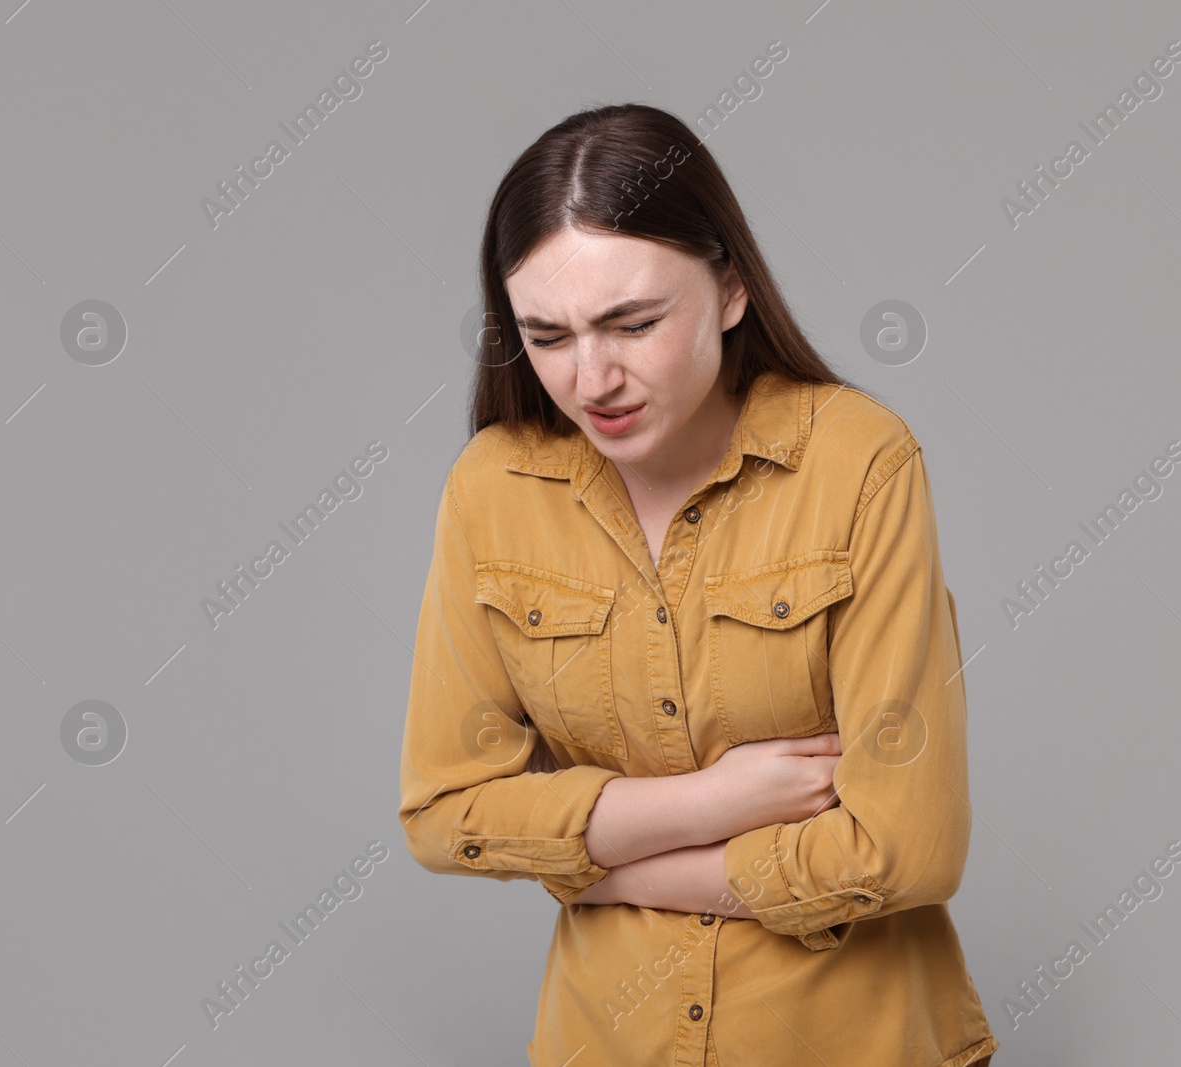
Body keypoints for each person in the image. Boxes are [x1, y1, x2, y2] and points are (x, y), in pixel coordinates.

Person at [398, 102, 998, 1066]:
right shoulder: (492, 490)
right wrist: (707, 806)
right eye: (547, 336)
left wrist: (601, 871)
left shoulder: (857, 462)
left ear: (730, 288)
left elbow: (908, 848)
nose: (593, 377)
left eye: (632, 323)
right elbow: (445, 811)